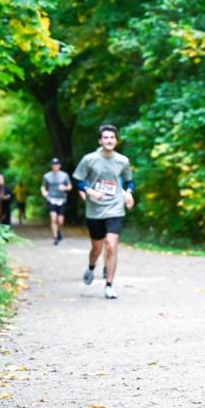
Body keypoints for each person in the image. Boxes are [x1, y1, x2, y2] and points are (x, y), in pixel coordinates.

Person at [72, 125, 135, 299]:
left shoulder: (122, 160)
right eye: (105, 138)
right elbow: (77, 180)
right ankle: (92, 266)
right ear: (100, 141)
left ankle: (109, 285)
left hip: (115, 208)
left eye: (112, 138)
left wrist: (128, 194)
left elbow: (129, 181)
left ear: (116, 140)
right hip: (94, 210)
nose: (109, 140)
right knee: (97, 248)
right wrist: (90, 192)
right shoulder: (89, 159)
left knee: (111, 245)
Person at [41, 158, 72, 245]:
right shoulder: (46, 176)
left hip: (61, 199)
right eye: (53, 164)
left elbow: (70, 186)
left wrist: (65, 188)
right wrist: (44, 192)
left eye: (57, 164)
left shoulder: (64, 175)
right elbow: (43, 186)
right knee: (53, 218)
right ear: (51, 166)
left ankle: (59, 231)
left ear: (59, 165)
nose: (55, 166)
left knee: (60, 221)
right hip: (51, 199)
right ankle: (55, 238)